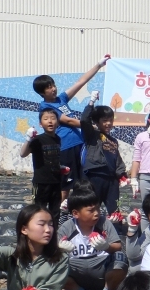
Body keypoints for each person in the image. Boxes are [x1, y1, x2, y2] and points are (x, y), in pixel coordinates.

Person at [33, 56, 109, 198]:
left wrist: (99, 64)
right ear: (42, 93)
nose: (53, 89)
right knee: (66, 184)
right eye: (49, 88)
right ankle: (61, 214)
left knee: (81, 181)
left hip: (79, 144)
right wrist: (91, 126)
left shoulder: (61, 99)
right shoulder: (46, 106)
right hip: (66, 147)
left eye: (53, 85)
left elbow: (81, 82)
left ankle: (77, 211)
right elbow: (68, 121)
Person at [57, 183, 127, 290]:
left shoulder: (104, 223)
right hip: (76, 271)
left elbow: (118, 246)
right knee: (53, 265)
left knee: (120, 258)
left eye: (98, 209)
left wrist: (106, 246)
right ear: (75, 213)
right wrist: (59, 249)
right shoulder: (67, 227)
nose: (96, 214)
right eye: (91, 210)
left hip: (102, 269)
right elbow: (50, 251)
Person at [79, 91, 127, 218]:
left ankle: (116, 233)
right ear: (96, 121)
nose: (109, 123)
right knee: (91, 207)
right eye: (105, 120)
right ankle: (89, 233)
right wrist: (91, 102)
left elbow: (117, 159)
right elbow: (84, 120)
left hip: (111, 180)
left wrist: (122, 175)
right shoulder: (91, 135)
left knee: (114, 210)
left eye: (111, 120)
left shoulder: (113, 141)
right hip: (95, 176)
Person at [20, 108, 63, 223]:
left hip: (56, 182)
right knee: (39, 210)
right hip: (41, 182)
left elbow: (55, 158)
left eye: (53, 119)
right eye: (46, 119)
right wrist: (28, 139)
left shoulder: (58, 139)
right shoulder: (37, 140)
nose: (50, 121)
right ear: (40, 124)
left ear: (58, 122)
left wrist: (61, 168)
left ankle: (53, 235)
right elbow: (23, 154)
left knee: (55, 211)